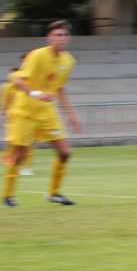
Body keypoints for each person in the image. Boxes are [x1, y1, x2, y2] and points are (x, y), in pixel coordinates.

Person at [4, 21, 82, 207]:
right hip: (25, 111)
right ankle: (8, 195)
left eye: (64, 35)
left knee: (65, 152)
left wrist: (72, 114)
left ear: (69, 38)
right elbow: (18, 81)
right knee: (19, 154)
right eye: (57, 35)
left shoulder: (68, 61)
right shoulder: (37, 55)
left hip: (47, 112)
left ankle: (54, 193)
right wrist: (35, 93)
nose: (61, 38)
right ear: (48, 38)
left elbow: (60, 88)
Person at [1, 55, 34, 178]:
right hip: (14, 116)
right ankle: (10, 163)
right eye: (23, 62)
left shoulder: (32, 80)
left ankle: (25, 166)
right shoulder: (8, 85)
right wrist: (4, 114)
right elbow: (5, 100)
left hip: (30, 115)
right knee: (14, 144)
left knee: (29, 143)